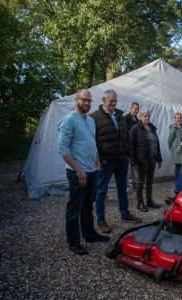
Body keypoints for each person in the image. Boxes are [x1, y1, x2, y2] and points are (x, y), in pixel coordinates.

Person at [58, 89, 109, 255]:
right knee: (74, 207)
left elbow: (90, 142)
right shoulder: (69, 120)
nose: (87, 103)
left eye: (89, 101)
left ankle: (89, 234)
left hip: (92, 170)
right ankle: (73, 242)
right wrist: (78, 169)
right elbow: (63, 149)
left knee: (88, 205)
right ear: (76, 100)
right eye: (84, 100)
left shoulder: (90, 121)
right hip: (77, 172)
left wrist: (97, 160)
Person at [90, 90, 141, 234]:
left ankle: (125, 213)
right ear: (103, 100)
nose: (113, 103)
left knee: (122, 188)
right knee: (101, 191)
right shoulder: (94, 117)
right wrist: (98, 159)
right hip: (106, 161)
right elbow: (92, 140)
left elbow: (125, 136)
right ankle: (101, 220)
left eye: (115, 101)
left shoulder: (120, 116)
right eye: (110, 100)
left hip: (121, 159)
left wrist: (127, 154)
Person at [129, 111, 162, 212]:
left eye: (148, 116)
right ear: (140, 117)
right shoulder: (135, 129)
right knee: (140, 182)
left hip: (152, 158)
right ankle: (140, 203)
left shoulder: (152, 127)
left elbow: (157, 143)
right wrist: (133, 162)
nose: (147, 118)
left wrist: (159, 158)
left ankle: (149, 200)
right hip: (141, 160)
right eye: (144, 116)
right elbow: (131, 147)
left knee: (149, 181)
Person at [168, 112, 182, 178]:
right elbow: (169, 140)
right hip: (177, 150)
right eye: (177, 118)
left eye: (180, 118)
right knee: (178, 167)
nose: (179, 119)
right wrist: (173, 148)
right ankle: (178, 182)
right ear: (174, 119)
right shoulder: (173, 127)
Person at [125, 102, 140, 190]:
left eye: (137, 109)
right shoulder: (126, 119)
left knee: (135, 168)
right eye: (135, 109)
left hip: (136, 149)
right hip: (128, 148)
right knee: (128, 170)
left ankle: (135, 185)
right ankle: (128, 186)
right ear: (131, 109)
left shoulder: (137, 120)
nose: (136, 111)